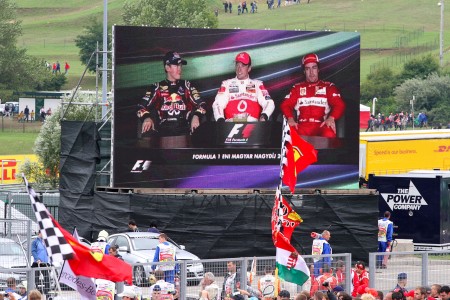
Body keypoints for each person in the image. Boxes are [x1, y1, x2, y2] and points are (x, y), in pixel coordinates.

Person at [137, 51, 206, 148]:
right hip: (163, 133)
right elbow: (140, 106)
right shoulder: (157, 87)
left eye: (180, 66)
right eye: (176, 66)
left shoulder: (187, 85)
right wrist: (147, 118)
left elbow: (202, 104)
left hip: (185, 131)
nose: (180, 69)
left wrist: (196, 116)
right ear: (167, 67)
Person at [280, 53, 346, 137]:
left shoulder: (328, 87)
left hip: (321, 126)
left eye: (314, 68)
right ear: (304, 71)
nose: (311, 72)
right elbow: (285, 105)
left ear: (318, 69)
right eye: (308, 69)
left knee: (329, 134)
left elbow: (340, 105)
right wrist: (290, 118)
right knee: (291, 135)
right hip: (302, 127)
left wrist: (331, 118)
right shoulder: (297, 87)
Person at [212, 52, 275, 122]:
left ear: (249, 68)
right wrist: (220, 119)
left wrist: (264, 116)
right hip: (230, 124)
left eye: (243, 66)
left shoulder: (258, 84)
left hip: (253, 124)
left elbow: (269, 102)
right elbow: (218, 103)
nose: (239, 69)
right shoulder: (226, 84)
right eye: (237, 65)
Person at [31, 231, 50, 296]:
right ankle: (37, 293)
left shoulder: (46, 241)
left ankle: (47, 293)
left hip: (45, 263)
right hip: (37, 263)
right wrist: (37, 259)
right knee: (36, 279)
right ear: (40, 233)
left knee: (47, 278)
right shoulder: (35, 242)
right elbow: (33, 251)